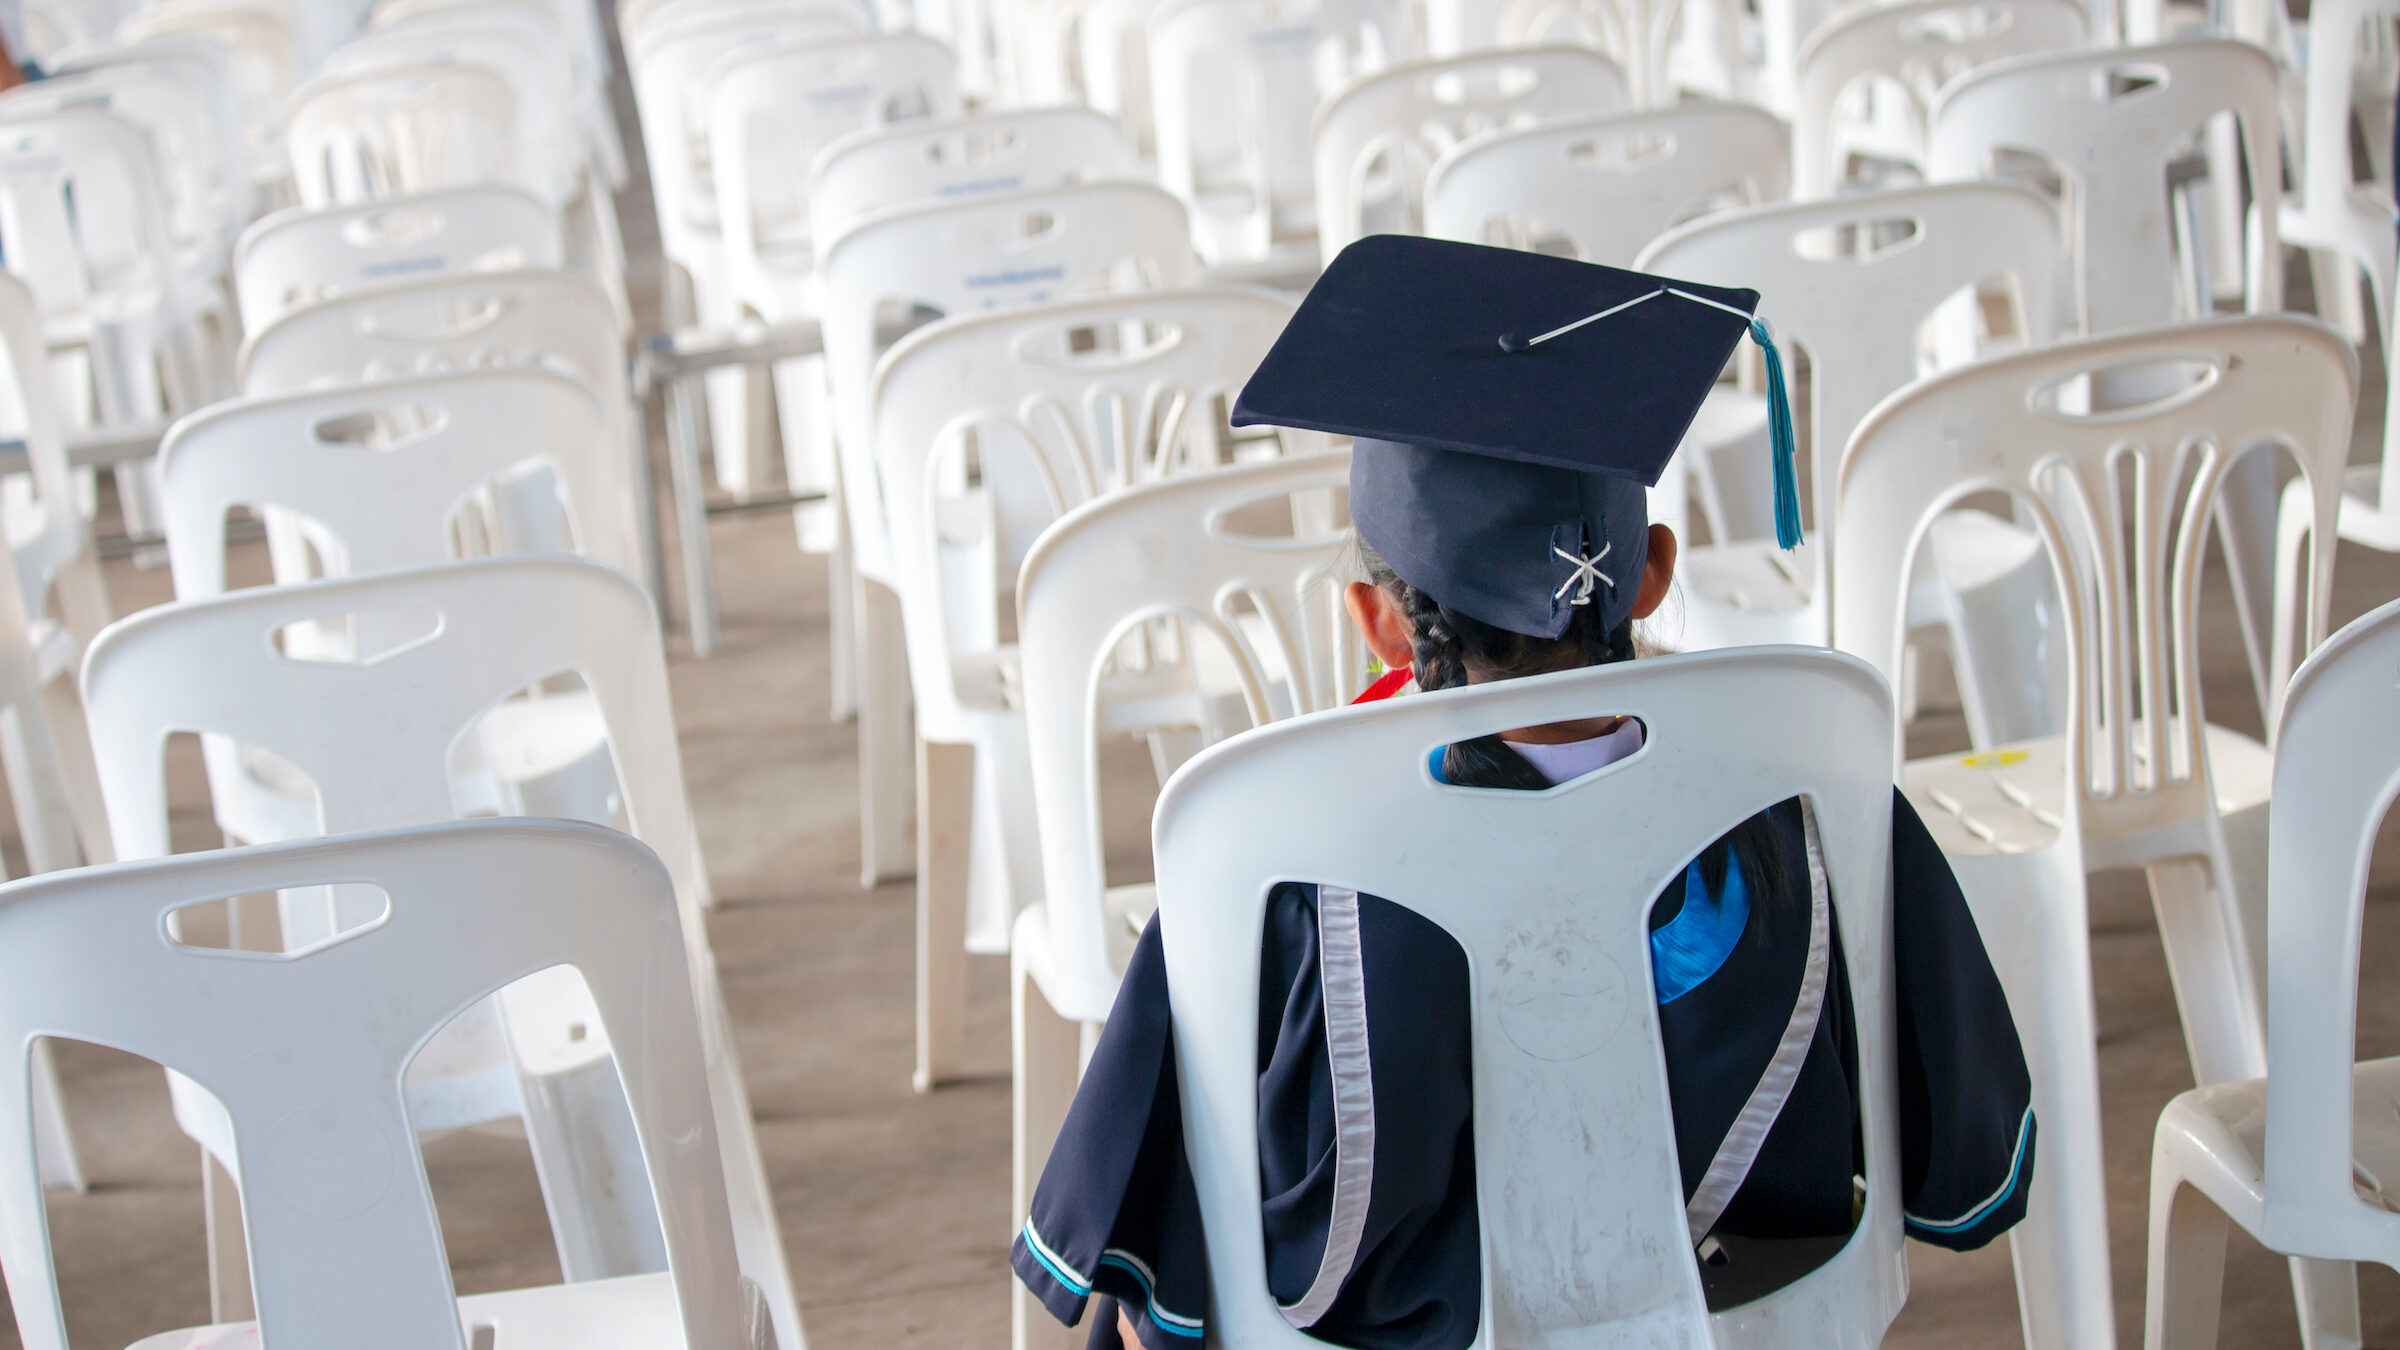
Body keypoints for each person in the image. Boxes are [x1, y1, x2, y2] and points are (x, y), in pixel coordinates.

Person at [1012, 235, 2035, 1350]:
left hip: (1421, 1318)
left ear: (1379, 621)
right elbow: (1953, 1134)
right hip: (1739, 1279)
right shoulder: (1801, 770)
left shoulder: (1289, 840)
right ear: (1651, 569)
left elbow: (1168, 1266)